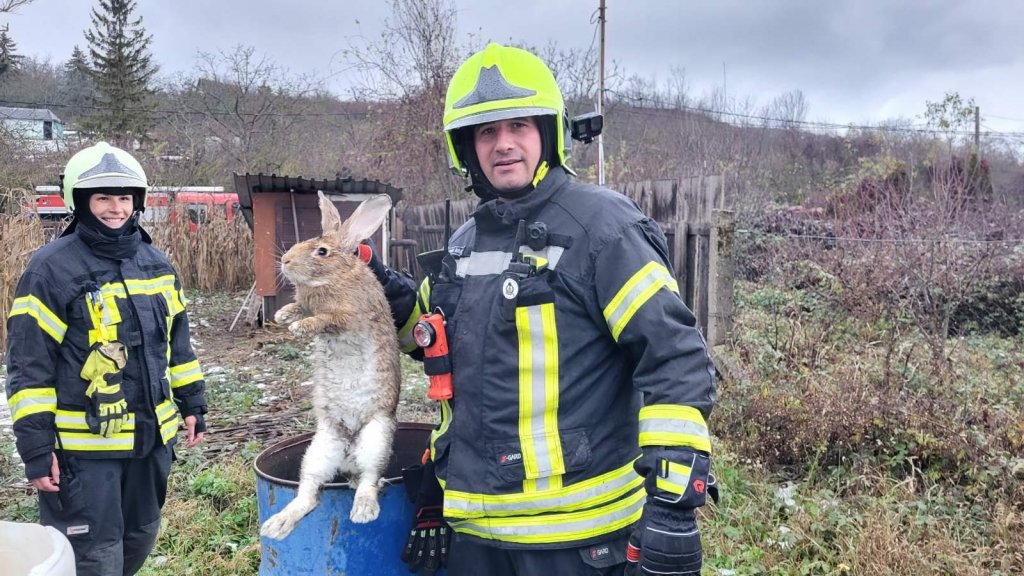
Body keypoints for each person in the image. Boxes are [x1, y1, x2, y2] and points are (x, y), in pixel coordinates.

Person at [367, 43, 717, 575]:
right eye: (487, 131)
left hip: (577, 543)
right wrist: (376, 288)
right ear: (466, 148)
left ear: (549, 134)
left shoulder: (603, 229)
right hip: (475, 539)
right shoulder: (464, 243)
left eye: (519, 126)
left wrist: (673, 508)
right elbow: (432, 339)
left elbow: (675, 357)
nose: (503, 144)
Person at [4, 142, 208, 575]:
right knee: (93, 558)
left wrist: (192, 402)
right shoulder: (49, 270)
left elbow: (177, 345)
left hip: (150, 444)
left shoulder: (156, 264)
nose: (116, 209)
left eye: (124, 198)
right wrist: (36, 448)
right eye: (103, 198)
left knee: (139, 539)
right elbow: (28, 367)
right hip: (84, 454)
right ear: (79, 202)